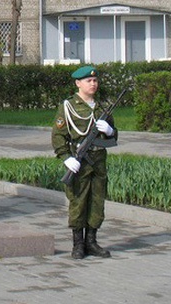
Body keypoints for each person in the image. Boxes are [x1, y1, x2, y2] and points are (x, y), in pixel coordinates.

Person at [51, 65, 118, 259]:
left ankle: (92, 241)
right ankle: (77, 244)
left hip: (98, 161)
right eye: (89, 81)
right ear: (78, 83)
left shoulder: (102, 107)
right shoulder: (68, 106)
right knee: (78, 201)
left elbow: (114, 138)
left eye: (95, 80)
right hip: (79, 161)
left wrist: (110, 131)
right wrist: (67, 158)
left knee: (97, 201)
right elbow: (58, 136)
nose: (93, 84)